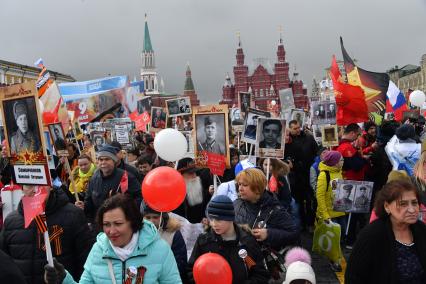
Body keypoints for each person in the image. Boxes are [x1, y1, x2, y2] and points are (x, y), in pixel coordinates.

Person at [45, 194, 182, 283]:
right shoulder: (98, 250)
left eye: (118, 224)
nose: (111, 231)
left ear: (133, 222)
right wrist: (64, 279)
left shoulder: (160, 249)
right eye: (106, 225)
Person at [2, 185, 94, 284]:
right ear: (22, 189)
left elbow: (86, 262)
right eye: (29, 186)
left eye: (40, 185)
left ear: (50, 186)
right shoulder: (11, 221)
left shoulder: (74, 215)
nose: (35, 190)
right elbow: (4, 264)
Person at [345, 180, 426, 283]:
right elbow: (353, 277)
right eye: (403, 204)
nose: (412, 209)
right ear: (387, 206)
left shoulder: (421, 229)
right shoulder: (372, 235)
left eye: (414, 203)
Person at [188, 195, 270, 284]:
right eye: (211, 219)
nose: (214, 224)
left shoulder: (247, 242)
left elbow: (260, 274)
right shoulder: (205, 241)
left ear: (230, 218)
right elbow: (191, 271)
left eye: (219, 219)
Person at [234, 168, 299, 251]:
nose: (240, 188)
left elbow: (294, 233)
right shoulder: (236, 203)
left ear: (257, 188)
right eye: (239, 184)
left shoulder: (274, 209)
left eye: (245, 185)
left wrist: (269, 234)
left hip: (263, 260)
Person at [77, 145, 142, 223]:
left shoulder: (126, 177)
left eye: (107, 159)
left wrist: (125, 208)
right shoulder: (94, 179)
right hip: (101, 224)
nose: (103, 162)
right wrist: (83, 206)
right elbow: (89, 201)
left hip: (123, 222)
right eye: (101, 160)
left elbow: (139, 197)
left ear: (114, 161)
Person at [315, 150, 346, 271]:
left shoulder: (339, 172)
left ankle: (336, 258)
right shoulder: (324, 175)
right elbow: (320, 196)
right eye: (341, 160)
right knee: (334, 239)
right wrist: (325, 215)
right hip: (329, 213)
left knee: (341, 236)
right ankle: (334, 262)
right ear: (335, 162)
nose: (343, 162)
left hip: (340, 211)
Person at [141, 203, 188, 283]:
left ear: (162, 216)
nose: (151, 221)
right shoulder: (137, 233)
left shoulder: (173, 234)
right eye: (148, 218)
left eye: (155, 217)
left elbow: (180, 262)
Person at [285, 120, 318, 231]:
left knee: (310, 200)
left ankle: (310, 223)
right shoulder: (287, 141)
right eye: (294, 128)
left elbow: (316, 151)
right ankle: (301, 224)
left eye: (298, 127)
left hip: (308, 173)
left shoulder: (308, 138)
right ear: (289, 129)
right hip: (295, 176)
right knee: (297, 202)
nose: (297, 130)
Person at [173, 157, 212, 223]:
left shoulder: (199, 182)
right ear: (180, 175)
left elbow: (202, 202)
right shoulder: (176, 195)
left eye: (195, 173)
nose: (194, 176)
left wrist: (208, 193)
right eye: (190, 173)